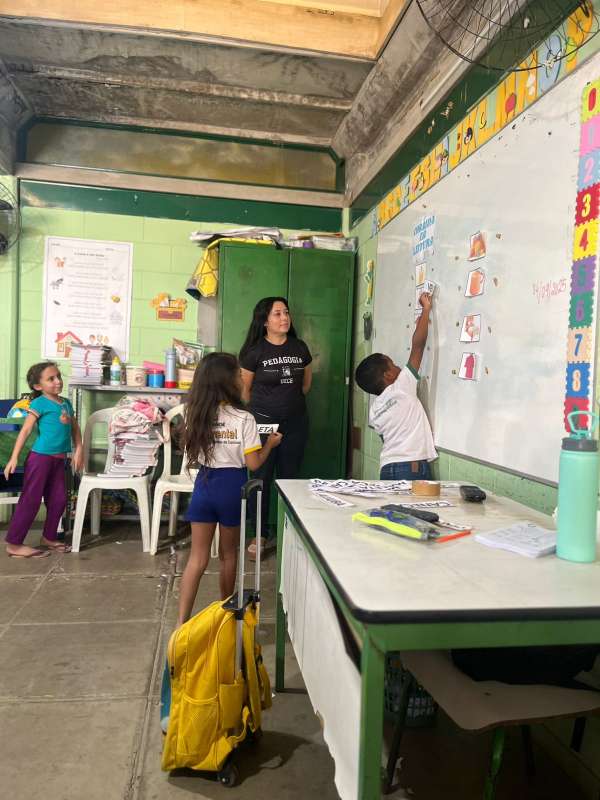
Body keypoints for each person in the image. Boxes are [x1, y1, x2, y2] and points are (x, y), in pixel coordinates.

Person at [177, 352, 282, 626]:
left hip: (204, 486)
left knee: (197, 559)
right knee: (228, 555)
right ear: (228, 381)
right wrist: (270, 444)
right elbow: (254, 464)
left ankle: (180, 623)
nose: (241, 378)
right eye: (238, 374)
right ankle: (226, 617)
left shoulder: (196, 413)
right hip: (232, 488)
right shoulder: (244, 419)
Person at [239, 297, 312, 559]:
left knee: (290, 477)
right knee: (261, 477)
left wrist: (286, 407)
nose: (284, 318)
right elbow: (245, 391)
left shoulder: (299, 347)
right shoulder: (254, 351)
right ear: (265, 320)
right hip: (262, 423)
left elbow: (305, 385)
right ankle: (259, 533)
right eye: (277, 313)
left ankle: (287, 530)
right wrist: (264, 414)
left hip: (295, 423)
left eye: (286, 312)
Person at [3, 361, 83, 558]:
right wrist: (14, 458)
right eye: (51, 379)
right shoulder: (39, 403)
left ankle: (48, 537)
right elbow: (26, 430)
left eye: (59, 376)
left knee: (59, 499)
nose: (58, 381)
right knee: (30, 500)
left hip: (59, 460)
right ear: (38, 386)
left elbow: (74, 428)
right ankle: (14, 544)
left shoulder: (66, 403)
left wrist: (79, 450)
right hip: (40, 459)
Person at [355, 293, 436, 480]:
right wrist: (426, 309)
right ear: (388, 375)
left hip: (387, 468)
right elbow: (418, 347)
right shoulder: (402, 386)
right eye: (393, 364)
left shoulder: (375, 410)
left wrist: (421, 323)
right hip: (411, 467)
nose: (398, 366)